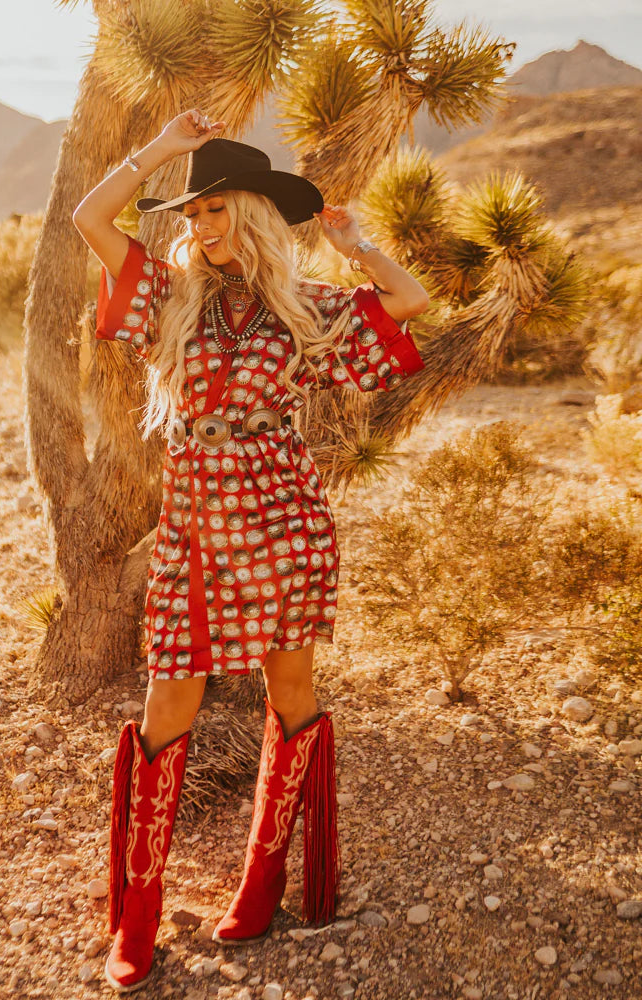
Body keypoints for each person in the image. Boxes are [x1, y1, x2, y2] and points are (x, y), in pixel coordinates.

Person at [72, 109, 430, 994]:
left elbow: (410, 303)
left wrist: (357, 245)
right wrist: (161, 153)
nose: (199, 228)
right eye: (190, 215)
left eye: (214, 209)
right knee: (168, 701)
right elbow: (91, 220)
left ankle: (263, 883)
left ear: (253, 214)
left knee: (291, 691)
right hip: (197, 520)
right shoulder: (168, 295)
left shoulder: (306, 306)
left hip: (282, 515)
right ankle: (138, 917)